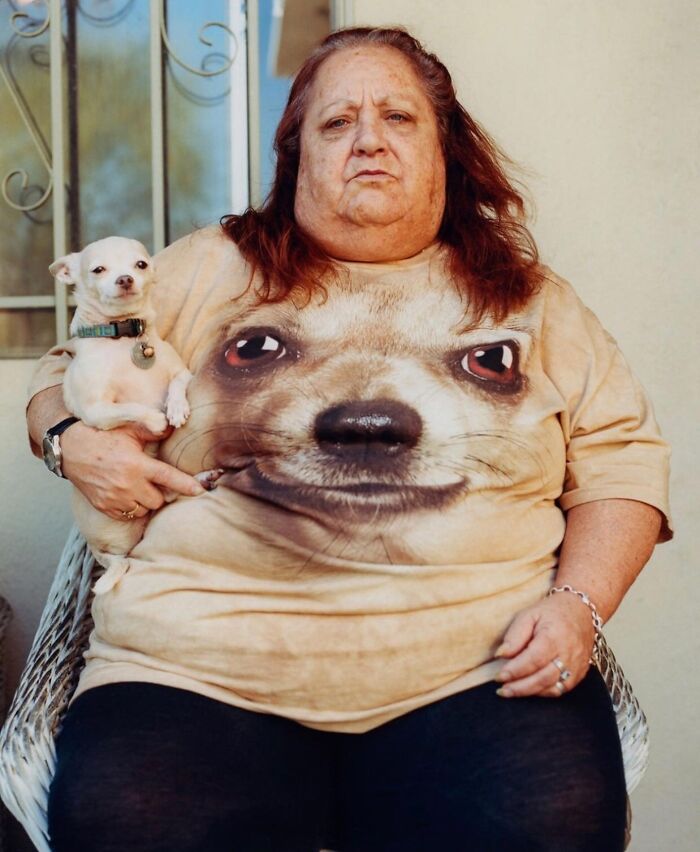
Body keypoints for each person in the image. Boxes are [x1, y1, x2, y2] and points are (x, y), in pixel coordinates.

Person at [27, 26, 670, 852]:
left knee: (549, 824)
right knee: (132, 821)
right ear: (297, 157)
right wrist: (69, 438)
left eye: (399, 118)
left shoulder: (530, 299)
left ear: (447, 152)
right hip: (197, 675)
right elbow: (64, 369)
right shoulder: (209, 268)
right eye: (336, 123)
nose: (368, 138)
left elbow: (623, 461)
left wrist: (578, 606)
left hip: (475, 675)